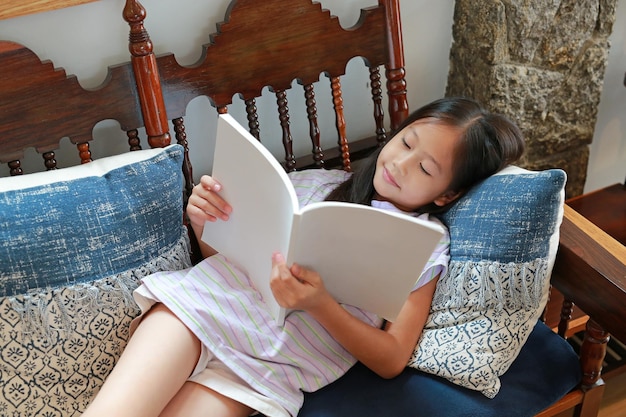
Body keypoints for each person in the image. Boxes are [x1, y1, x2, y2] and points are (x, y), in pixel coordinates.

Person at [82, 97, 525, 417]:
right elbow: (230, 257)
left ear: (447, 194)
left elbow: (391, 358)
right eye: (407, 143)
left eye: (427, 169)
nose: (402, 165)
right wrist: (204, 223)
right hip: (201, 310)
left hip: (265, 369)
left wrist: (319, 304)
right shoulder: (314, 184)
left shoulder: (425, 248)